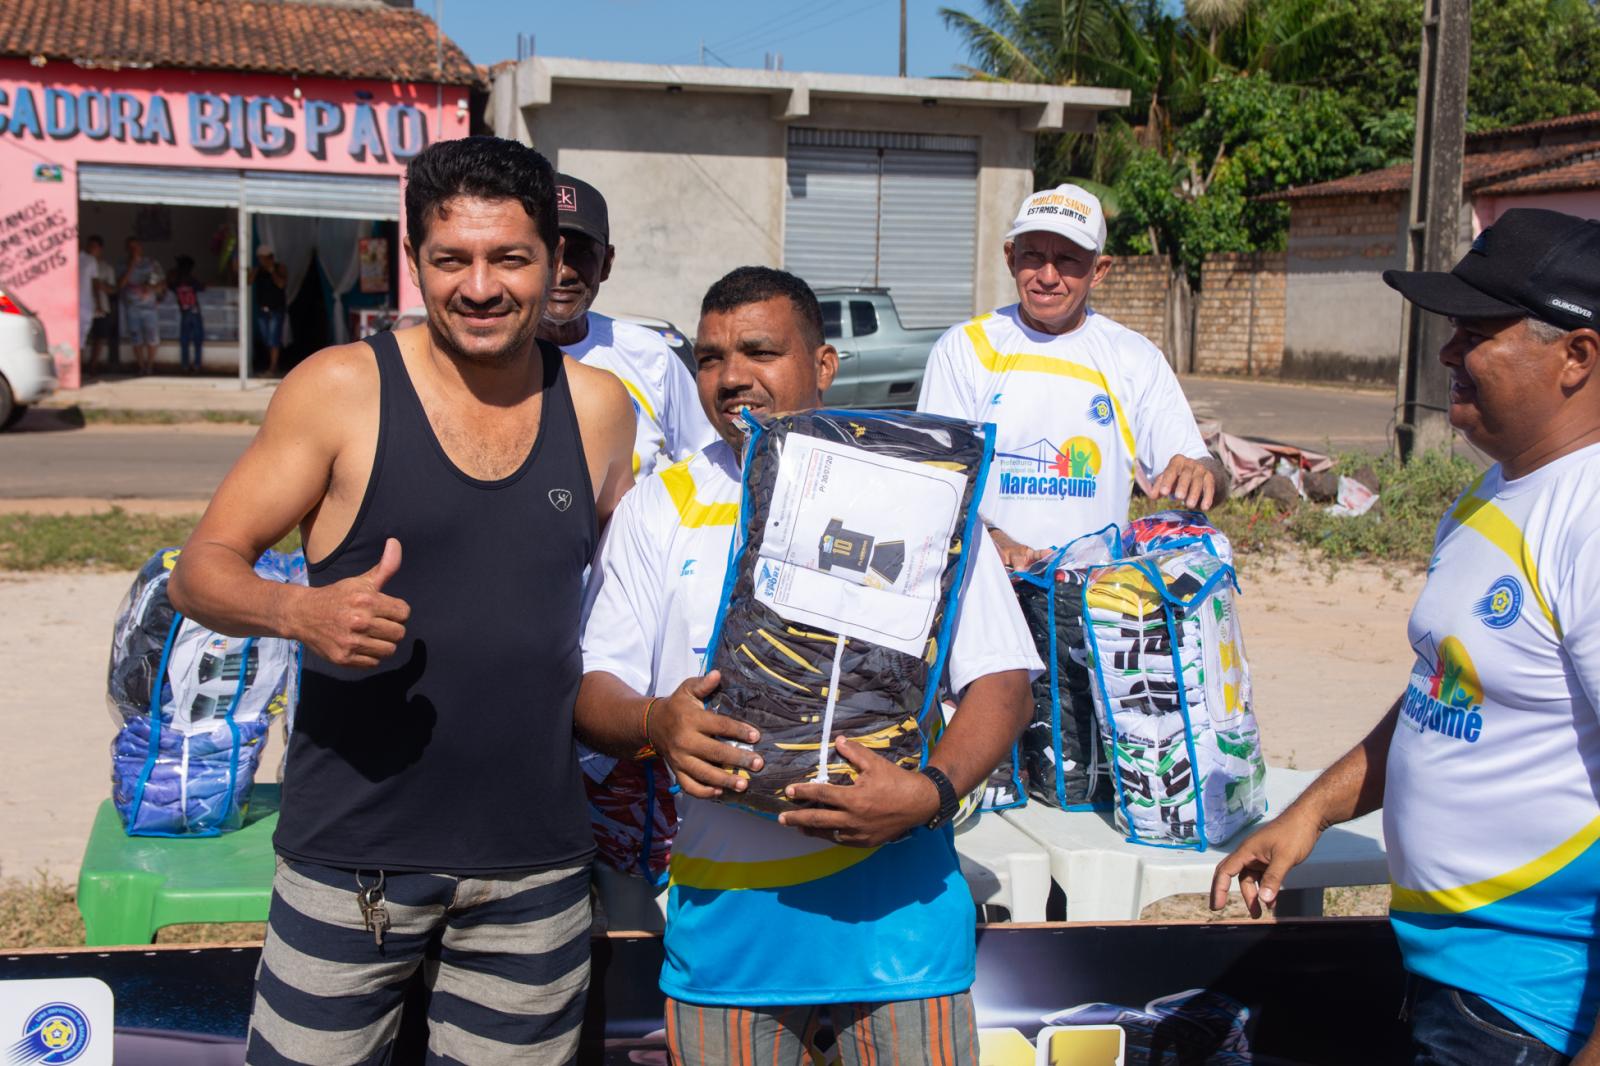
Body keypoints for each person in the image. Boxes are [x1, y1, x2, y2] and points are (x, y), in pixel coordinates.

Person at [167, 136, 636, 1065]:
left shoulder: (600, 408)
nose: (480, 286)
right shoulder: (339, 388)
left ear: (555, 261)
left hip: (534, 862)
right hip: (354, 856)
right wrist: (298, 613)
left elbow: (629, 604)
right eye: (450, 259)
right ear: (414, 260)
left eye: (510, 257)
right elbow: (201, 568)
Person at [577, 266, 1040, 1065]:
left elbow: (1002, 683)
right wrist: (657, 723)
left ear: (823, 365)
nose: (731, 379)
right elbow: (593, 691)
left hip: (902, 926)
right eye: (712, 358)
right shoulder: (663, 505)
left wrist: (929, 793)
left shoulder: (915, 489)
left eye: (760, 351)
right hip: (729, 934)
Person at [1211, 208, 1600, 1066]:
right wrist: (1313, 810)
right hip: (1444, 973)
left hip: (1530, 1004)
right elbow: (1448, 685)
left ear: (1577, 356)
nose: (1448, 353)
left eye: (1476, 332)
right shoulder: (1493, 495)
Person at [917, 184, 1226, 570]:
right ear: (1011, 258)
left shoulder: (1134, 359)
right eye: (1033, 256)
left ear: (1098, 270)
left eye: (1067, 260)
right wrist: (994, 539)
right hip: (987, 592)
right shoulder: (964, 349)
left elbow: (1201, 466)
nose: (1048, 276)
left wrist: (1203, 472)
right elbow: (936, 481)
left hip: (1096, 600)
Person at [538, 172, 714, 477]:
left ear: (606, 263)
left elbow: (704, 464)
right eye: (549, 254)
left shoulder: (651, 358)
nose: (563, 273)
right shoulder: (493, 358)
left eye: (581, 253)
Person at [119, 236, 164, 375]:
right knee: (135, 337)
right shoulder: (122, 264)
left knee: (152, 337)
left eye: (136, 247)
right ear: (127, 250)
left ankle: (150, 366)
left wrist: (151, 288)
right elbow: (120, 285)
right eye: (131, 248)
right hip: (132, 307)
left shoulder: (152, 263)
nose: (134, 250)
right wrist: (131, 265)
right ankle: (141, 366)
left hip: (149, 307)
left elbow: (162, 284)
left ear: (141, 248)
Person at [250, 245, 288, 376]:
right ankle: (271, 364)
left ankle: (273, 367)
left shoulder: (279, 268)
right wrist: (254, 271)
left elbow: (281, 284)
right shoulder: (258, 271)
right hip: (262, 310)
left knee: (273, 339)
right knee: (267, 338)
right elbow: (248, 281)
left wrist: (272, 271)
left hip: (276, 309)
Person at [171, 255, 205, 374]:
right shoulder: (192, 280)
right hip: (195, 312)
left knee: (184, 341)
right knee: (197, 340)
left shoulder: (176, 282)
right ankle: (196, 365)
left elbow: (170, 287)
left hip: (184, 313)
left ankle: (185, 365)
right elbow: (202, 288)